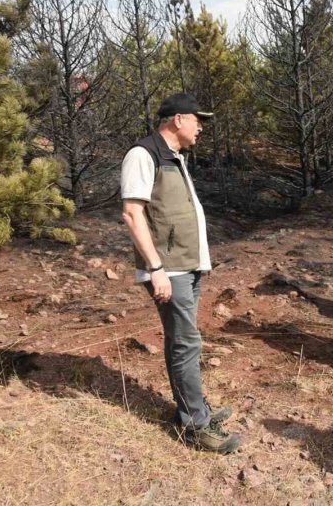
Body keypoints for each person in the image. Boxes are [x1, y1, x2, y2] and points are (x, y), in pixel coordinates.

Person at [120, 93, 241, 454]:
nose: (200, 127)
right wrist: (156, 269)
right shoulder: (143, 155)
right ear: (177, 119)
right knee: (187, 342)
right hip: (168, 269)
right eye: (197, 119)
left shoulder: (174, 157)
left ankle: (194, 409)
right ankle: (195, 427)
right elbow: (132, 213)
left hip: (186, 265)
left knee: (182, 340)